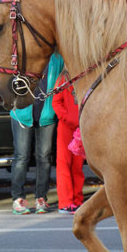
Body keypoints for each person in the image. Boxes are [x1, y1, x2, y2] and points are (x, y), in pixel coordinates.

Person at [11, 53, 64, 215]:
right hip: (21, 114)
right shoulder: (21, 58)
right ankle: (18, 198)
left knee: (44, 157)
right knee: (21, 157)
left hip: (46, 115)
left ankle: (41, 197)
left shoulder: (56, 59)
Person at [52, 71, 85, 214]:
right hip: (66, 127)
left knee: (77, 166)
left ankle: (77, 200)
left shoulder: (83, 76)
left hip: (80, 127)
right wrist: (69, 119)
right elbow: (56, 102)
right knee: (64, 164)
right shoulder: (62, 79)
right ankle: (65, 202)